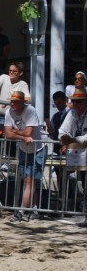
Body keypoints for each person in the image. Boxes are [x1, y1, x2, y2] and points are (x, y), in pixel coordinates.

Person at [5, 91, 46, 222]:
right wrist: (22, 137)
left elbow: (29, 132)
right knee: (29, 181)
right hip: (24, 148)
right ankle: (34, 210)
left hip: (38, 148)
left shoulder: (30, 111)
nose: (12, 103)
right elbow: (7, 134)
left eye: (16, 101)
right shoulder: (8, 112)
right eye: (12, 101)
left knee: (30, 181)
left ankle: (21, 212)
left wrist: (15, 131)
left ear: (23, 102)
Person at [58, 86, 87, 226]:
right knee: (85, 184)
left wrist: (72, 140)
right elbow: (62, 130)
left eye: (79, 101)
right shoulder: (72, 113)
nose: (75, 104)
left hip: (82, 150)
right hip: (81, 154)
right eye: (73, 101)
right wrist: (65, 138)